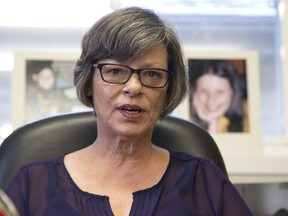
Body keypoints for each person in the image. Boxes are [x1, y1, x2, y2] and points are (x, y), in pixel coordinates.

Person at [5, 7, 253, 216]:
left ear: (168, 89)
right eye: (115, 72)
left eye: (152, 74)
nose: (133, 87)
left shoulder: (204, 182)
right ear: (89, 83)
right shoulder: (33, 185)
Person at [189, 59, 249, 133]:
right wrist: (213, 123)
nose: (211, 99)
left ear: (233, 92)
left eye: (220, 91)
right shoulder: (183, 118)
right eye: (203, 90)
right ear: (194, 92)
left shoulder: (249, 116)